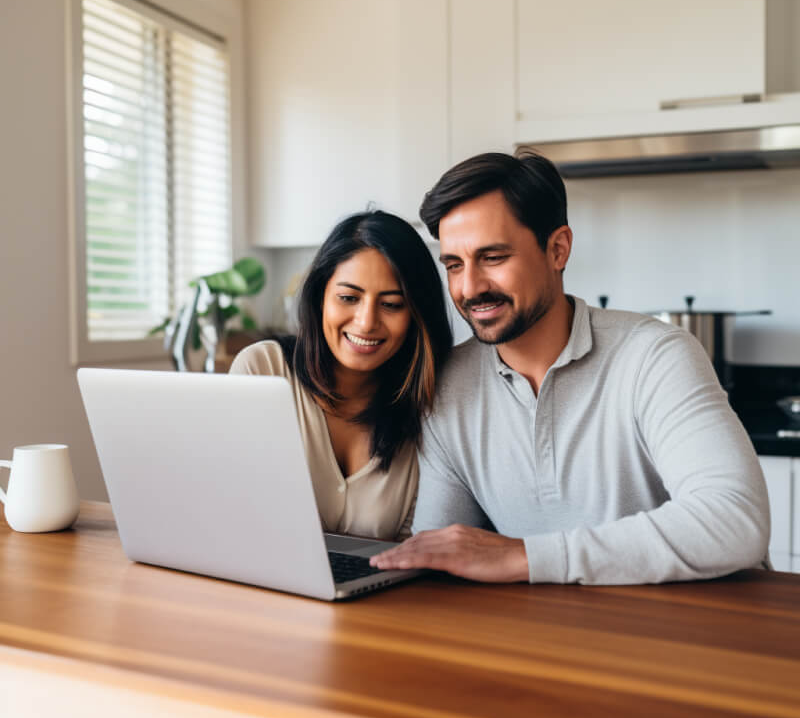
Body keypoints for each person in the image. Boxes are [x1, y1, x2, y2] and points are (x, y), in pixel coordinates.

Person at [371, 152, 769, 583]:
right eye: (454, 264)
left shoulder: (655, 356)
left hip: (690, 630)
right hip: (552, 636)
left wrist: (525, 557)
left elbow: (735, 519)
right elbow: (440, 550)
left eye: (493, 257)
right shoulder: (450, 384)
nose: (469, 288)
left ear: (557, 249)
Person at [230, 210, 452, 541]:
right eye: (348, 298)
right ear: (320, 298)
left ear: (417, 315)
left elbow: (414, 547)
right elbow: (231, 508)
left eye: (391, 304)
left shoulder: (430, 404)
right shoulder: (262, 370)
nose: (366, 322)